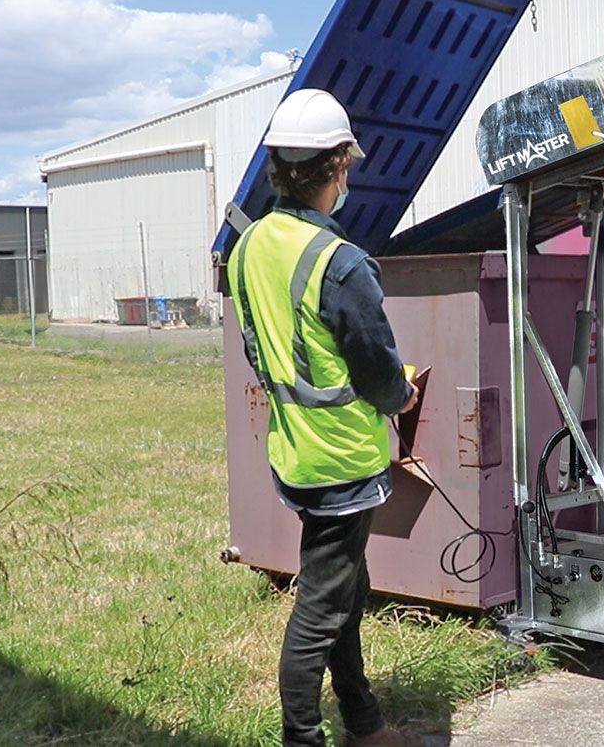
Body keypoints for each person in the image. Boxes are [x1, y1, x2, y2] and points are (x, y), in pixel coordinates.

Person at [226, 88, 422, 747]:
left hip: (295, 453)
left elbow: (261, 349)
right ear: (337, 167)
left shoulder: (247, 250)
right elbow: (376, 372)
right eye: (347, 167)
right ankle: (303, 738)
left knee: (345, 589)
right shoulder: (342, 264)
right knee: (320, 609)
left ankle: (364, 724)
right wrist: (402, 395)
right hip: (342, 460)